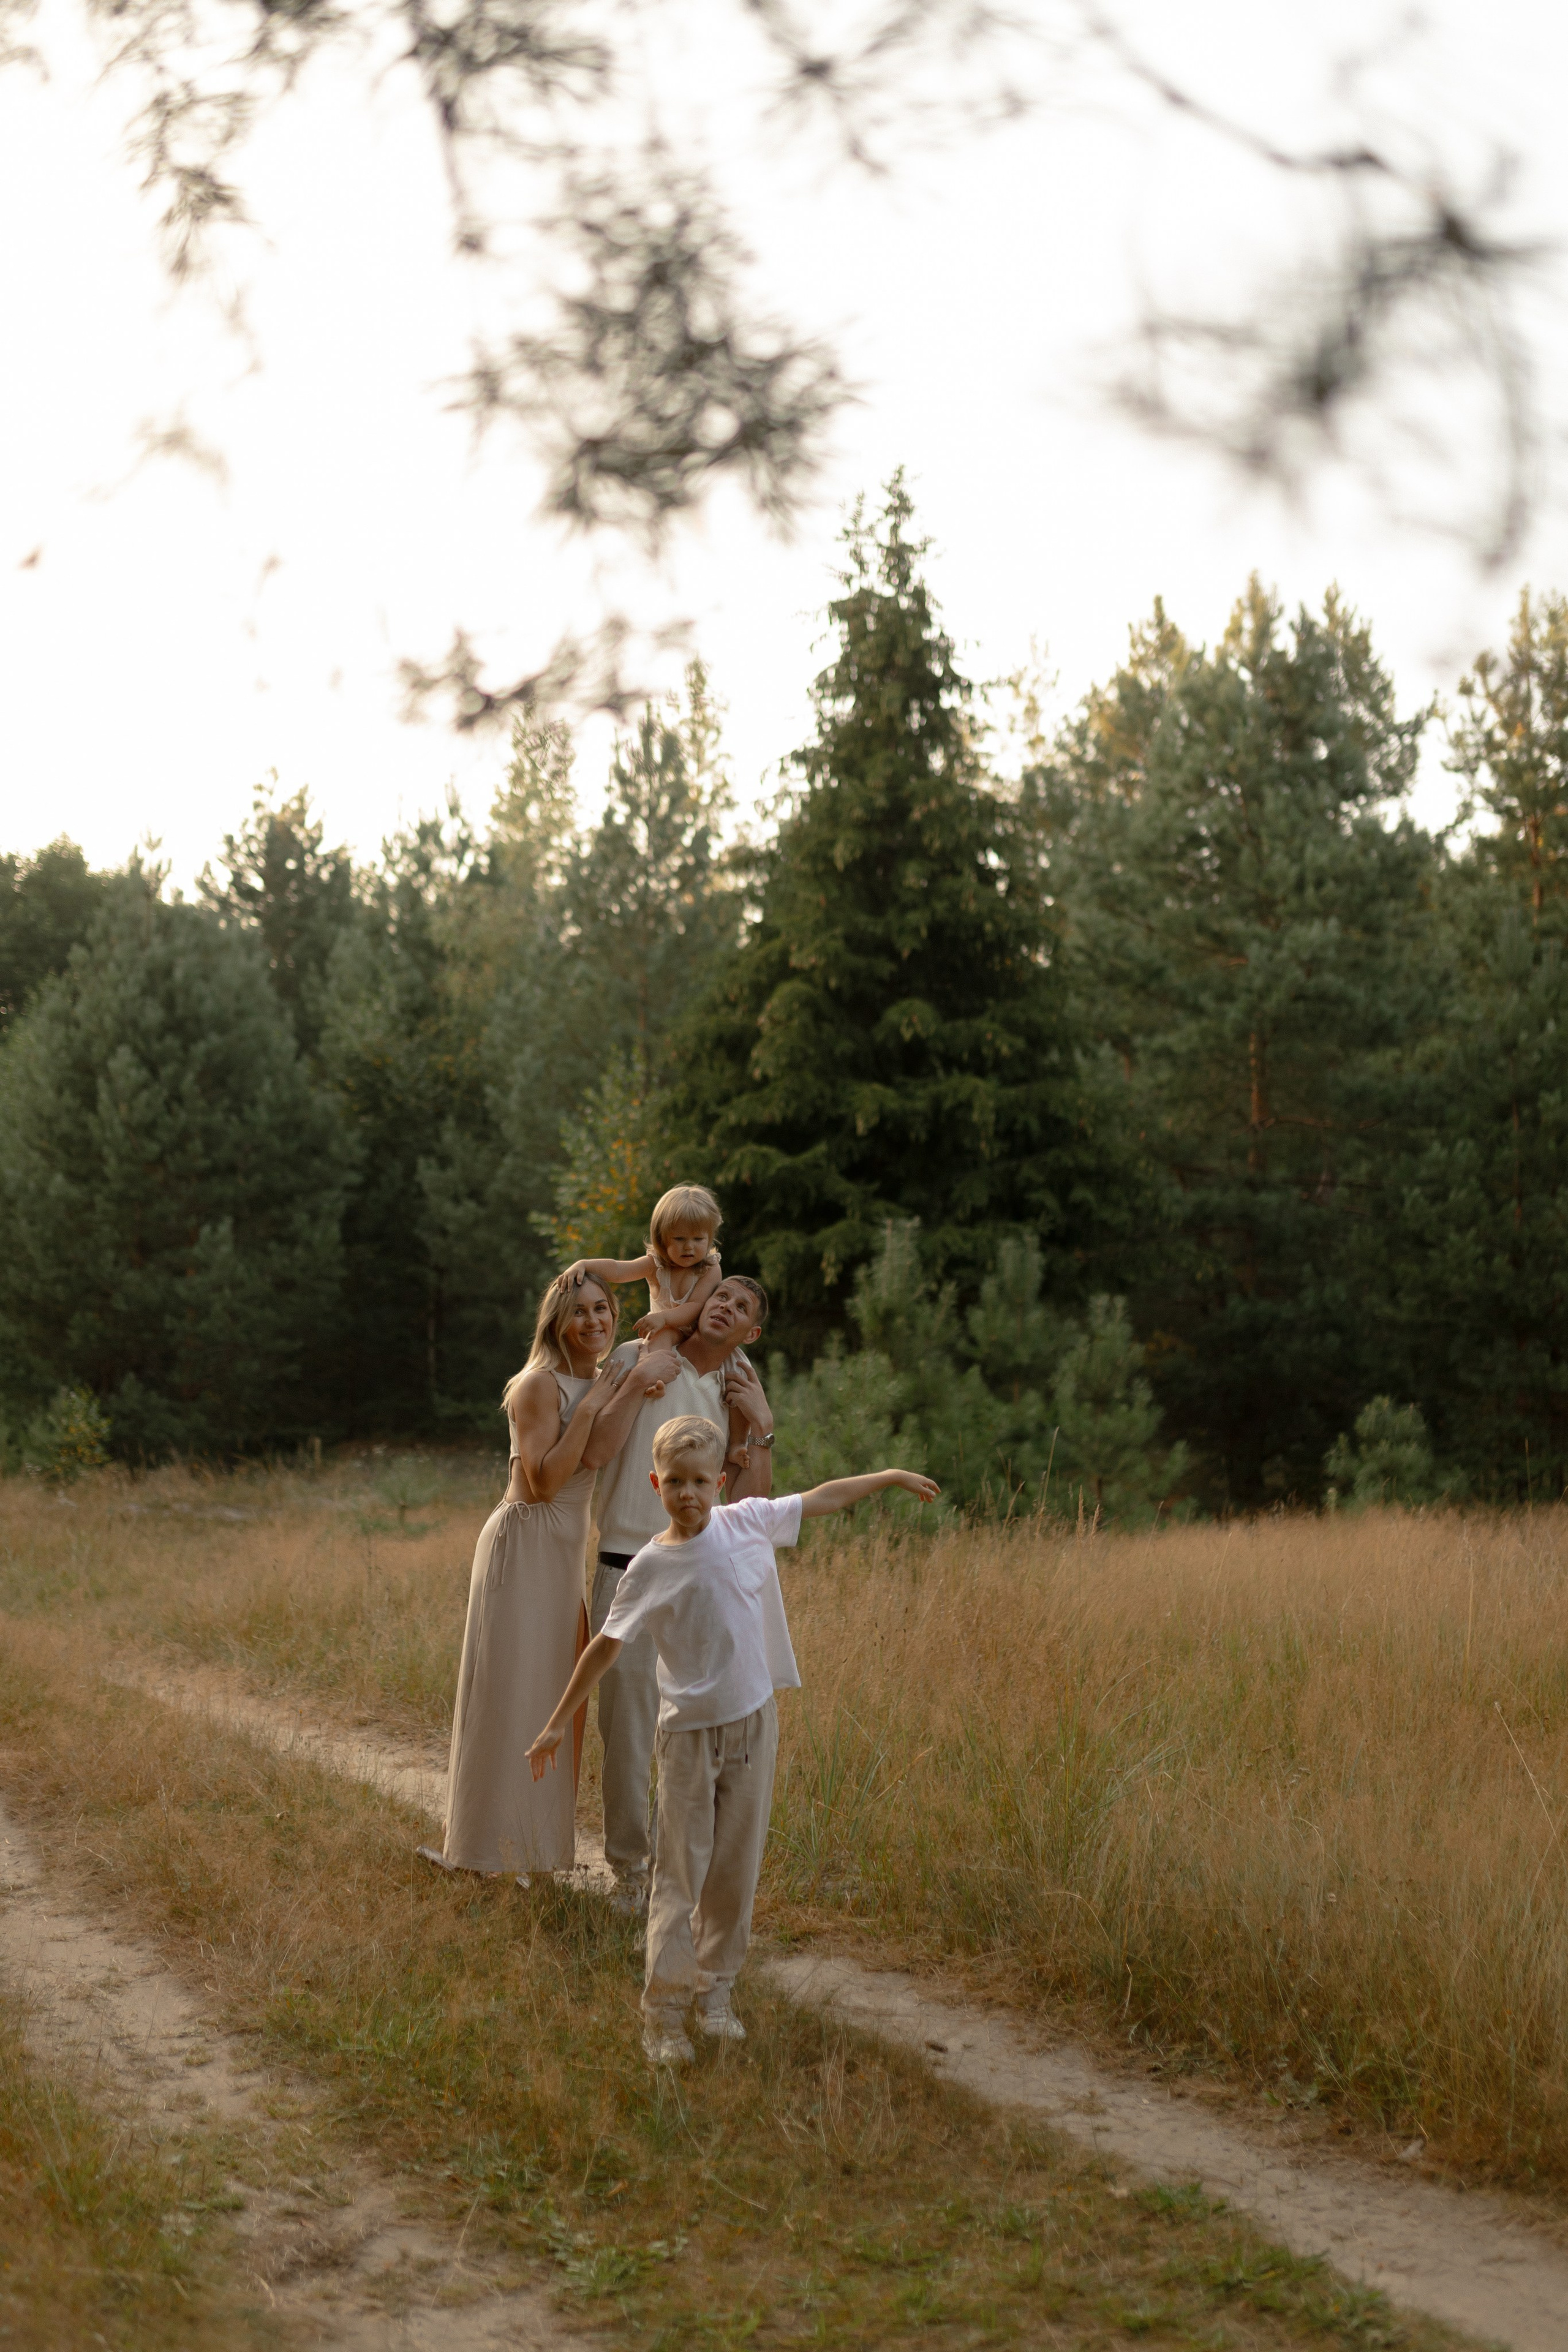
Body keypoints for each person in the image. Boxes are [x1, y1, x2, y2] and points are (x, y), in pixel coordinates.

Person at [527, 1414, 940, 2063]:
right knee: (679, 1876)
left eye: (700, 1481)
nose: (688, 1494)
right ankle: (663, 2016)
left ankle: (714, 1993)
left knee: (734, 1872)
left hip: (752, 1725)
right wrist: (557, 1720)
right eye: (675, 1482)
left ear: (719, 1483)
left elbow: (824, 1498)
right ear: (655, 1484)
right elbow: (605, 1647)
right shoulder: (649, 1567)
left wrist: (888, 1476)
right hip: (688, 1738)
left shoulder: (747, 1522)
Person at [423, 1272, 680, 1879]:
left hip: (563, 1559)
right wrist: (592, 1405)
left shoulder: (605, 1379)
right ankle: (479, 1852)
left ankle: (532, 1853)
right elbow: (544, 1482)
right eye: (579, 1312)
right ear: (557, 1323)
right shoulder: (539, 1385)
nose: (594, 1321)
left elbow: (661, 1260)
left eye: (603, 1309)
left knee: (547, 1695)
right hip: (523, 1545)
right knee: (509, 1693)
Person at [586, 1274, 776, 1913]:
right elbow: (594, 1450)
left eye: (741, 1307)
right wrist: (635, 1380)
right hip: (626, 1563)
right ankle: (628, 1874)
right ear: (701, 1303)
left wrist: (761, 1424)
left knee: (690, 1733)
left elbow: (748, 1511)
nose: (725, 1307)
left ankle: (676, 1875)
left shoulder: (737, 1388)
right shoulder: (638, 1356)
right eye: (720, 1297)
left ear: (751, 1332)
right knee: (628, 1733)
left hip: (700, 1577)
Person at [565, 1183, 739, 1349]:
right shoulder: (656, 1266)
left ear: (709, 1238)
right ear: (662, 1238)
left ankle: (653, 1369)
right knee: (634, 1348)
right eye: (679, 1239)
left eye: (698, 1239)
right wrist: (584, 1265)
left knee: (664, 1336)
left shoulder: (709, 1269)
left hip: (696, 1338)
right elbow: (619, 1270)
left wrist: (663, 1318)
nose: (689, 1246)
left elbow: (695, 1306)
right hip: (660, 1334)